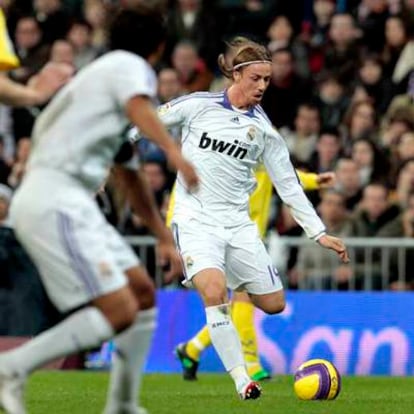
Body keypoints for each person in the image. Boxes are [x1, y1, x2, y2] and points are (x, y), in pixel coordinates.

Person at [0, 7, 198, 414]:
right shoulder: (127, 67)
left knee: (142, 293)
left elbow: (130, 176)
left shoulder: (100, 91)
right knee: (119, 309)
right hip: (54, 196)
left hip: (66, 198)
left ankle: (122, 405)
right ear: (159, 49)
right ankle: (11, 368)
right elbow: (141, 107)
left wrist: (163, 238)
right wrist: (173, 151)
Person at [157, 39, 349, 400]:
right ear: (237, 73)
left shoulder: (265, 132)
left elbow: (288, 184)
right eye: (256, 78)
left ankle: (196, 346)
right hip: (195, 219)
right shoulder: (198, 105)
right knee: (214, 293)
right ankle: (243, 380)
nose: (262, 86)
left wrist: (319, 233)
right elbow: (148, 120)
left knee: (273, 304)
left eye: (267, 80)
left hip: (240, 225)